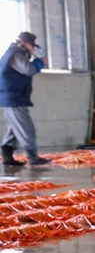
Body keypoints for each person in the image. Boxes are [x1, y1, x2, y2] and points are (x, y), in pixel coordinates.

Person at [0, 32, 50, 166]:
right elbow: (28, 69)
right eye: (32, 46)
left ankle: (7, 158)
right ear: (24, 43)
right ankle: (33, 157)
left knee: (14, 129)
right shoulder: (15, 54)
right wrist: (40, 63)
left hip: (10, 97)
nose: (33, 49)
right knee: (26, 128)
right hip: (13, 97)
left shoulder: (12, 53)